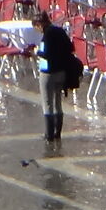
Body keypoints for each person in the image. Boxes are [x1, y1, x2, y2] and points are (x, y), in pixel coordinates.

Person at [34, 12, 78, 144]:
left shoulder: (47, 35)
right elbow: (71, 48)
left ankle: (49, 135)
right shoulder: (60, 31)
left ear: (39, 25)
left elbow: (47, 54)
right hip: (61, 73)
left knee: (47, 104)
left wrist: (37, 52)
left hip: (48, 73)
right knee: (58, 103)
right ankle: (57, 133)